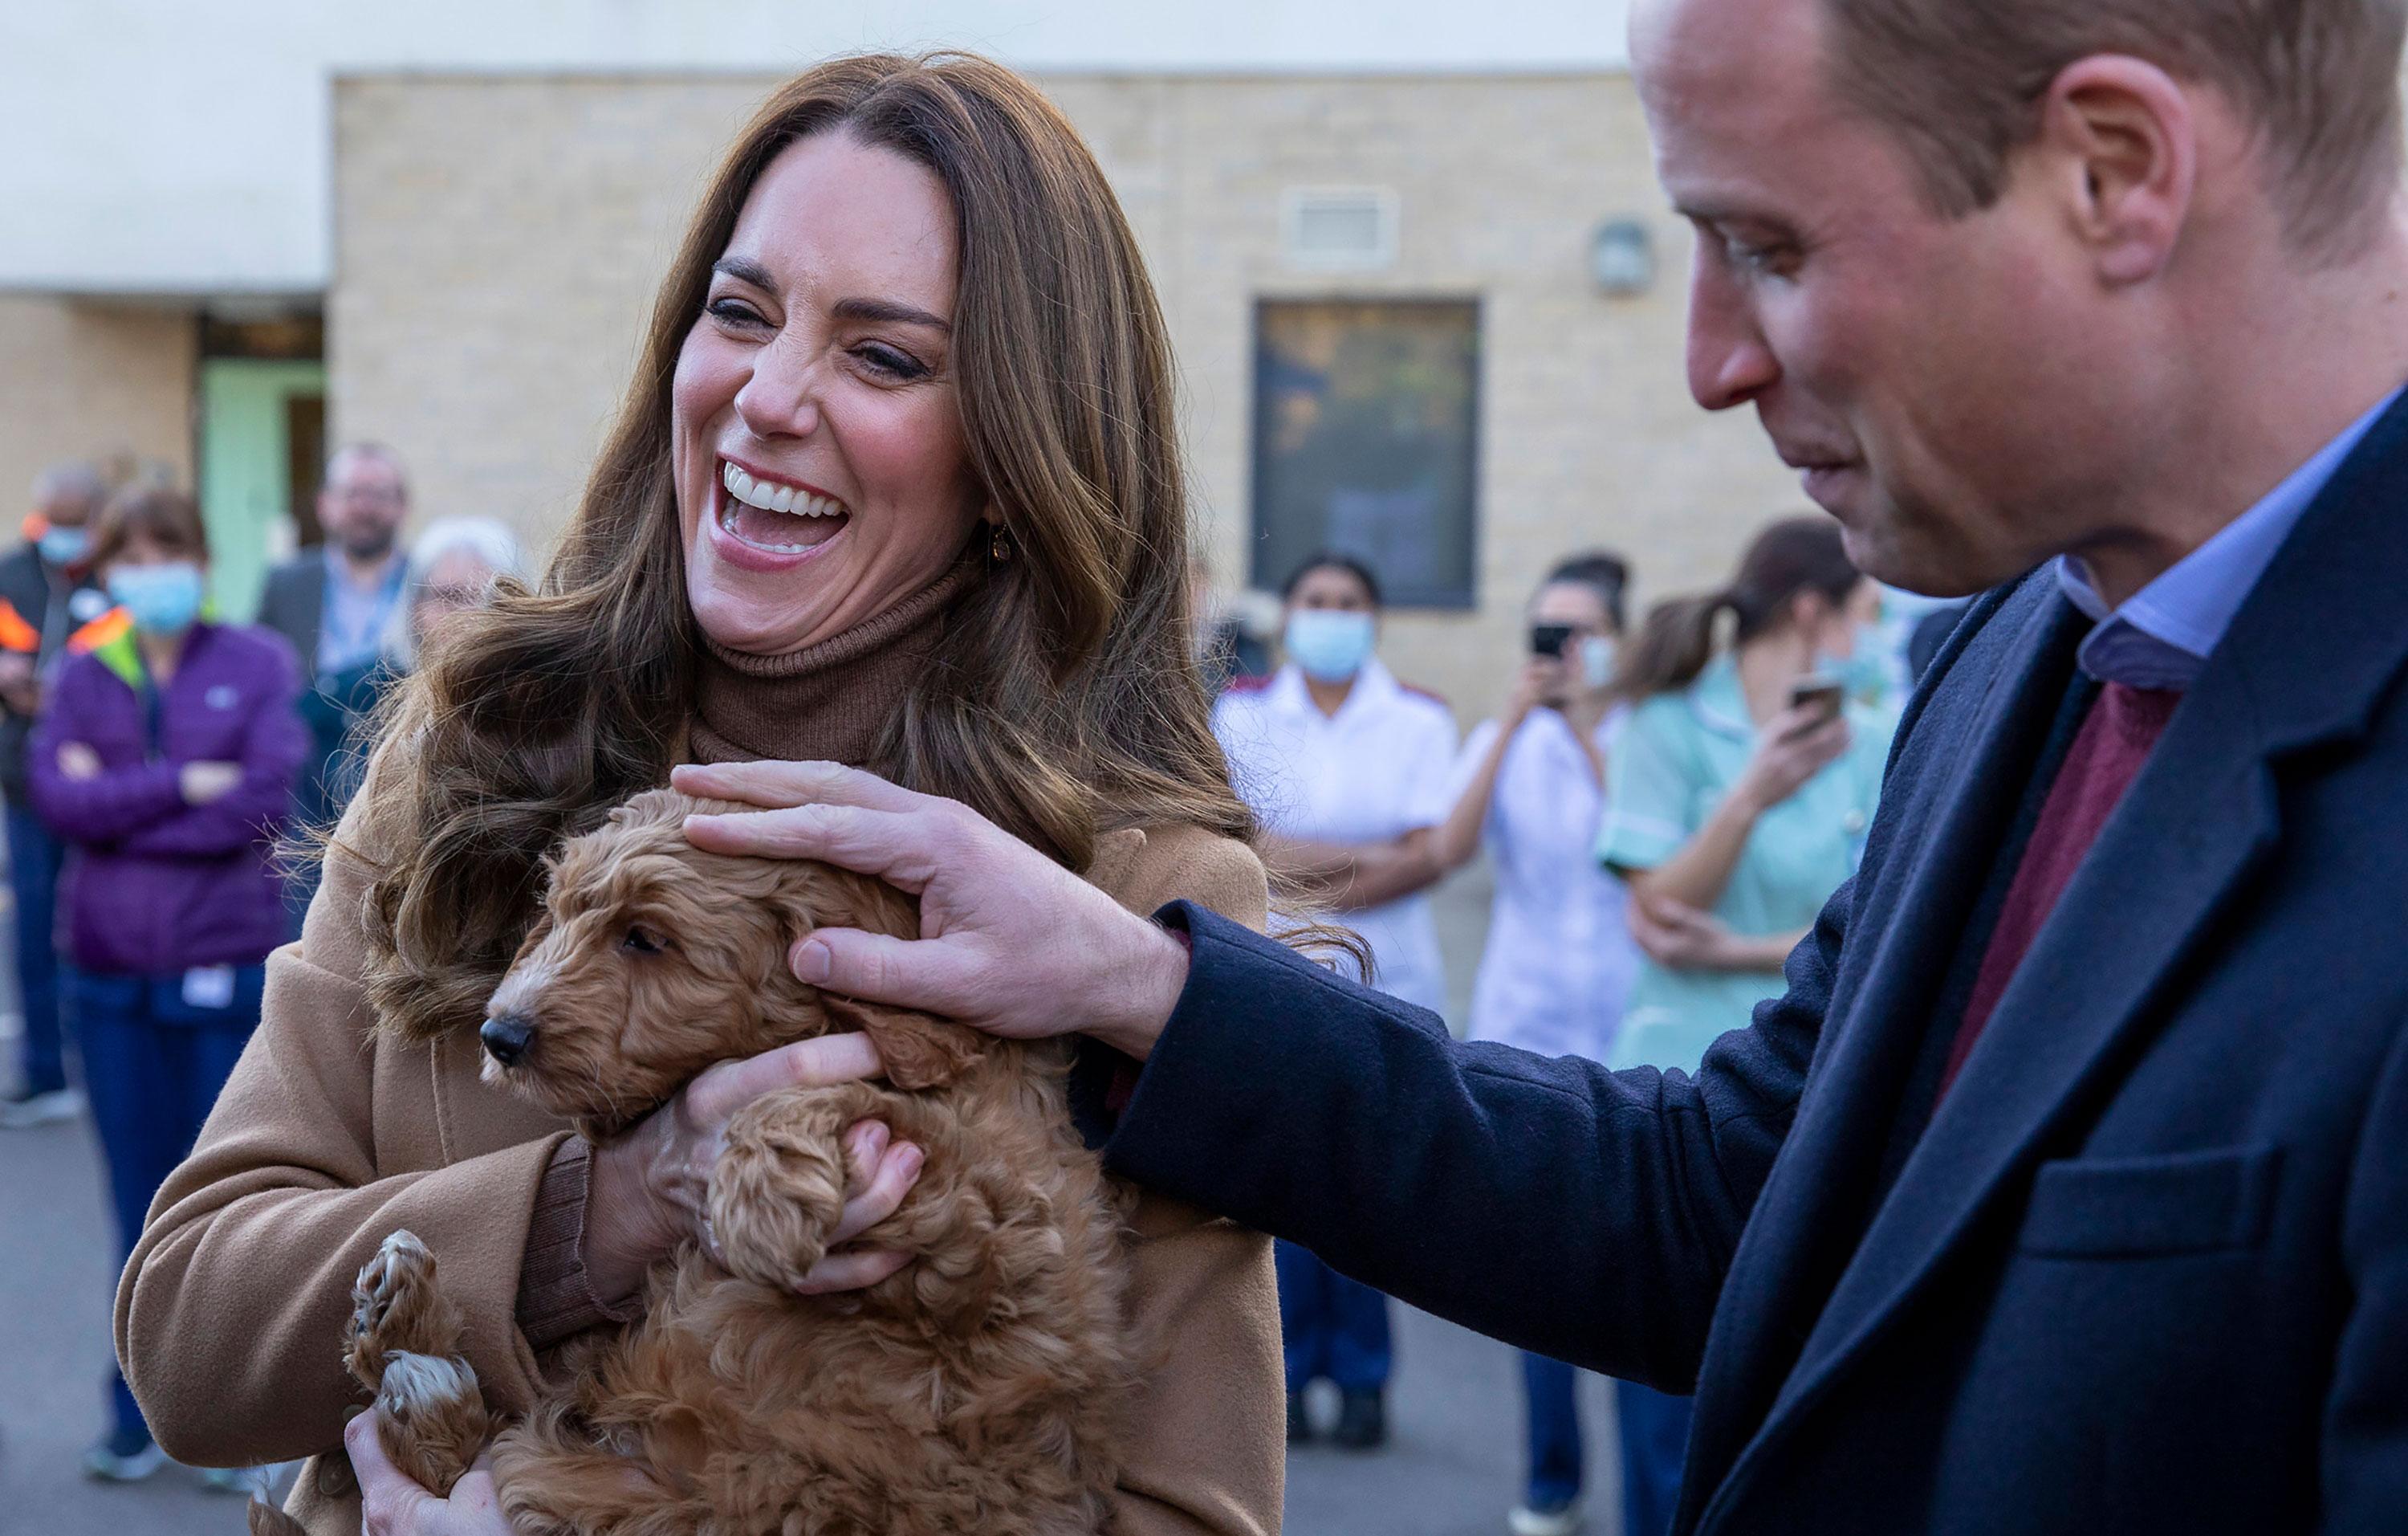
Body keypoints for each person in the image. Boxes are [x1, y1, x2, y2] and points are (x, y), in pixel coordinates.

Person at [675, 0, 2408, 1528]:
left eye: (1771, 250)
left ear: (2113, 170)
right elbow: (1729, 1207)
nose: (1712, 360)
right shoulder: (2020, 647)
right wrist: (1139, 982)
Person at [122, 54, 1285, 1536]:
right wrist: (594, 1218)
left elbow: (1184, 1510)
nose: (768, 395)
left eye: (884, 357)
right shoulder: (481, 744)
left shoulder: (1130, 883)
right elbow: (186, 1334)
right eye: (739, 314)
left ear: (1016, 457)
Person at [1586, 518, 1887, 1534]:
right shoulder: (1669, 726)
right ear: (1814, 612)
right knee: (1664, 1398)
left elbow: (1892, 923)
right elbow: (1662, 907)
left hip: (1817, 1091)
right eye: (1864, 611)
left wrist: (1746, 951)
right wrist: (1752, 792)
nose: (1872, 635)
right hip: (1675, 1083)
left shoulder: (1878, 733)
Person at [27, 485, 306, 1482]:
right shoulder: (87, 673)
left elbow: (264, 799)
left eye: (170, 550)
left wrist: (123, 805)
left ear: (200, 558)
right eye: (134, 555)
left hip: (222, 973)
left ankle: (232, 1421)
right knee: (137, 1205)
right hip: (106, 980)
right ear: (111, 569)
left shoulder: (257, 662)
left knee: (226, 1206)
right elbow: (58, 800)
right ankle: (134, 1412)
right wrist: (180, 782)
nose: (154, 571)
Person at [1211, 548, 1457, 1451]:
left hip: (1389, 981)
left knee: (1371, 1184)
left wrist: (1300, 861)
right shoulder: (1240, 714)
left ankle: (1363, 1380)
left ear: (1375, 617)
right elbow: (1240, 841)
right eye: (1316, 599)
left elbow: (1433, 850)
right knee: (1283, 1186)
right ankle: (1287, 1376)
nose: (1332, 613)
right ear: (1291, 613)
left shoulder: (1419, 718)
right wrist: (1368, 857)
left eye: (1349, 600)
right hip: (1278, 968)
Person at [1425, 551, 1641, 1536]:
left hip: (1633, 1021)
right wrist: (1516, 719)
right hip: (1526, 1017)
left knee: (1647, 1253)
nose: (1561, 652)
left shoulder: (1645, 735)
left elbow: (1645, 849)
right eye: (1546, 634)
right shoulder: (1501, 735)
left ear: (1616, 642)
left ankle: (1658, 1487)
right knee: (1541, 1255)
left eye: (1579, 633)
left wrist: (1589, 728)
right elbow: (1450, 845)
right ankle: (1553, 1476)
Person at [256, 444, 413, 928]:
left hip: (399, 771)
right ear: (326, 504)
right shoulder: (287, 582)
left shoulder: (425, 580)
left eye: (379, 494)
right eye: (352, 493)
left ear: (402, 507)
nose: (364, 506)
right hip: (306, 783)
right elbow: (264, 675)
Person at [0, 461, 112, 1127]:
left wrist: (60, 692)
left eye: (74, 526)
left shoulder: (116, 582)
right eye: (53, 524)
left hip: (99, 783)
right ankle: (46, 1071)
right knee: (35, 929)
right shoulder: (12, 574)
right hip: (24, 781)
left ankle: (99, 1064)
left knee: (97, 926)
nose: (60, 537)